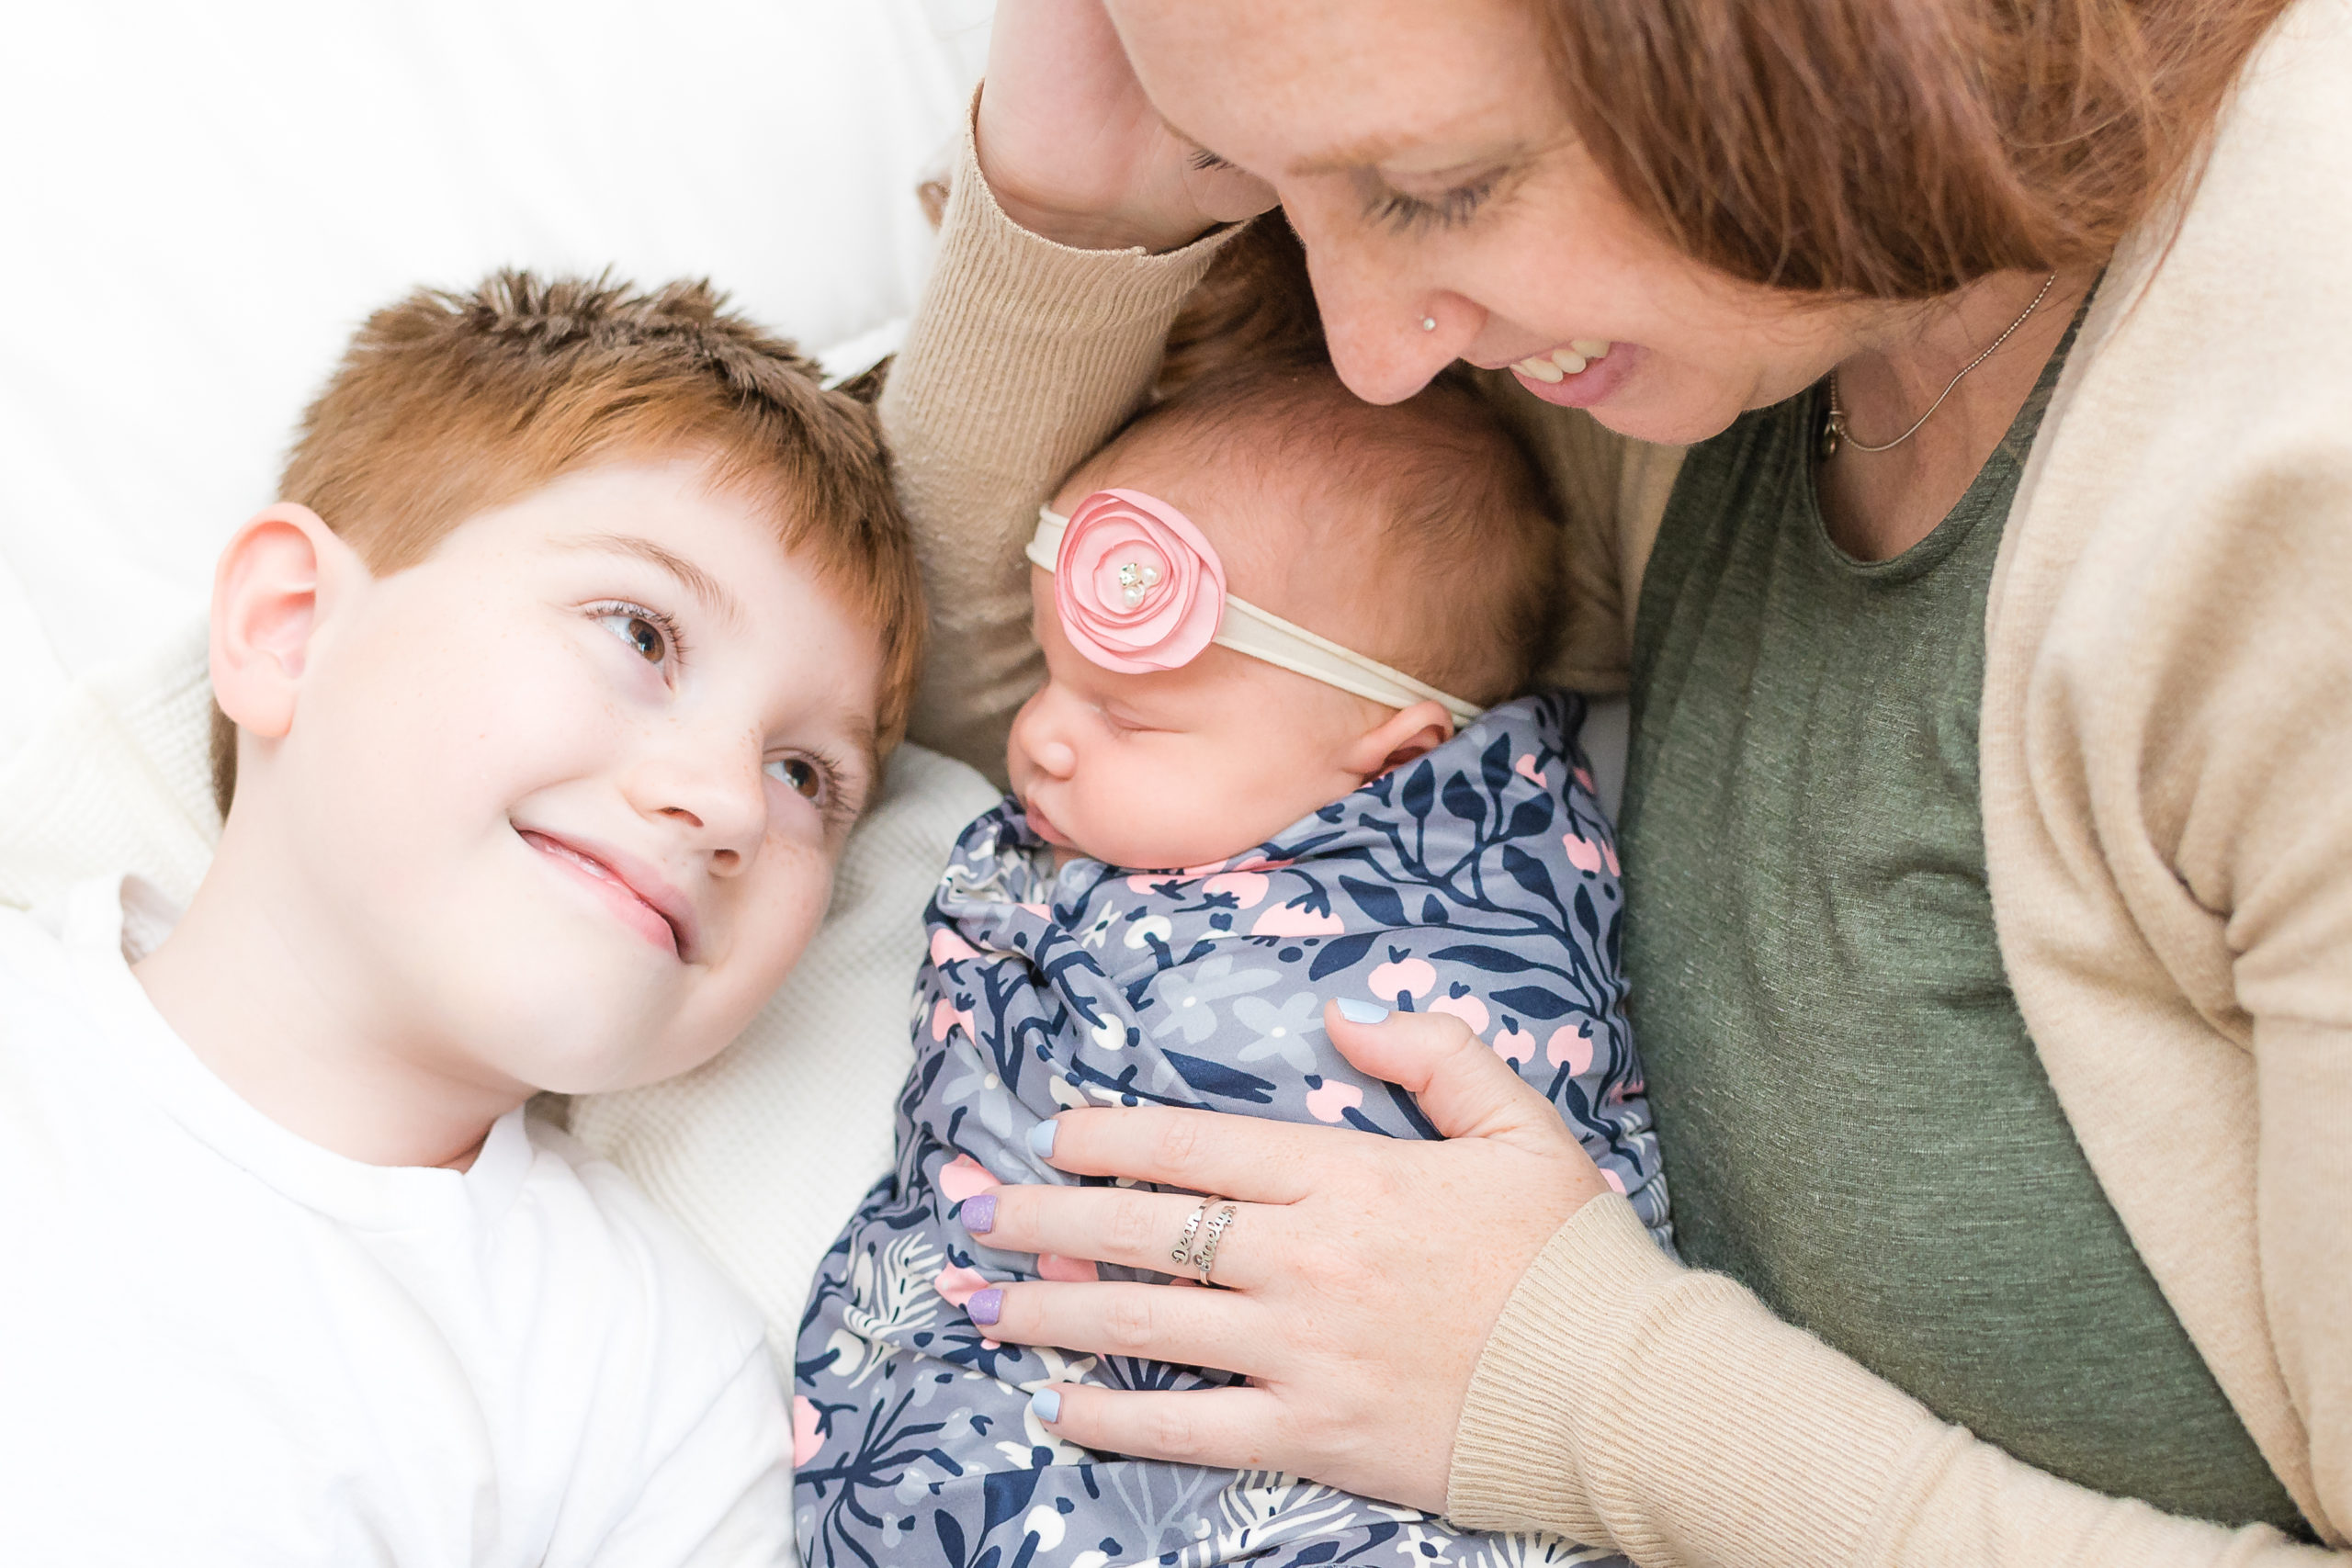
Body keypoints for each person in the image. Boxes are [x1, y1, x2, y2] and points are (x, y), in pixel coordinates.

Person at [865, 0, 2352, 1562]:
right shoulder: (1760, 334)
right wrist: (1074, 214)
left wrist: (1588, 1390)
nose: (1374, 349)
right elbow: (1027, 731)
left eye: (1432, 190)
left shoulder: (2284, 475)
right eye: (1277, 186)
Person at [0, 271, 923, 1566]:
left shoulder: (652, 1386)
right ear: (287, 627)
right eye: (642, 633)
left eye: (804, 777)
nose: (727, 804)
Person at [793, 352, 1666, 1568]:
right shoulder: (1106, 837)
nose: (1035, 735)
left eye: (1130, 715)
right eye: (1051, 675)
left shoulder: (1467, 911)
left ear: (1386, 759)